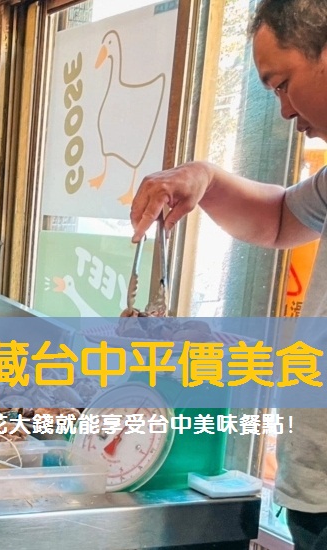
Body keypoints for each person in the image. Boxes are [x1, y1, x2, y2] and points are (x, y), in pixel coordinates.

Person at [129, 1, 327, 547]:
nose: (285, 111)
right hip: (311, 491)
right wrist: (205, 180)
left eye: (282, 83)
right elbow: (284, 217)